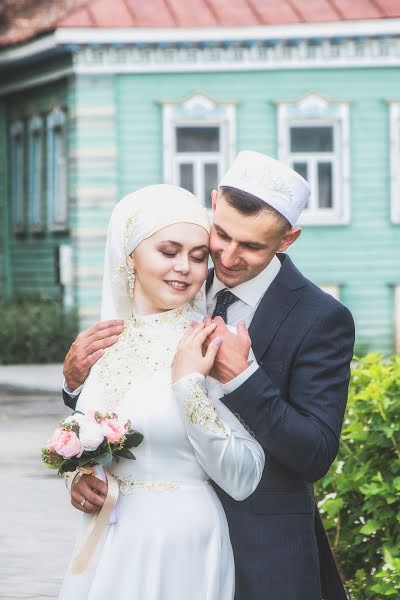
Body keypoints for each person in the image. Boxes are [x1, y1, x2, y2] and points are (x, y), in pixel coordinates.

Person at [63, 152, 355, 600]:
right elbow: (134, 395)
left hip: (265, 556)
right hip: (153, 551)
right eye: (220, 235)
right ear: (213, 203)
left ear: (288, 239)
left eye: (253, 246)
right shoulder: (180, 280)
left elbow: (315, 453)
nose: (227, 256)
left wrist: (245, 379)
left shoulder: (321, 318)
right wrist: (76, 397)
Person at [58, 184, 265, 600]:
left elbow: (244, 477)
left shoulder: (213, 345)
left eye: (196, 256)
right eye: (169, 252)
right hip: (110, 541)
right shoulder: (104, 343)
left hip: (184, 544)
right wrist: (79, 477)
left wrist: (188, 385)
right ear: (129, 256)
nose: (185, 268)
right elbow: (89, 435)